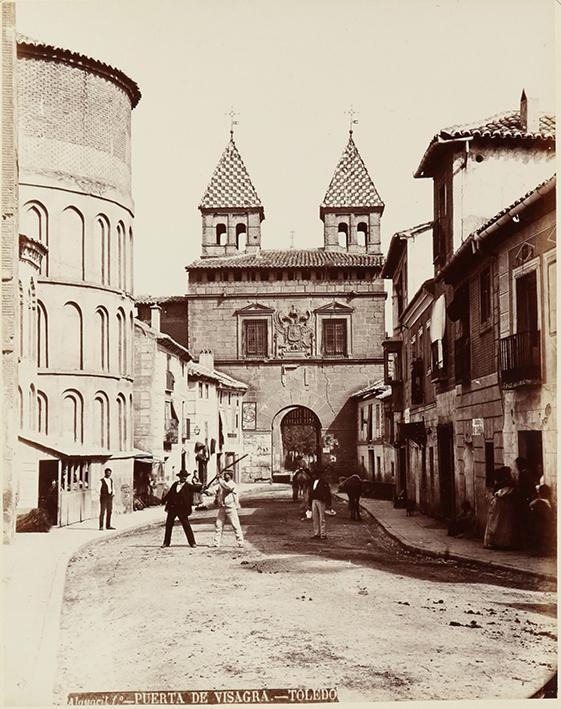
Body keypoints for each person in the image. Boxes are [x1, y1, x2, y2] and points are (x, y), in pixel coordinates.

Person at [161, 469, 202, 548]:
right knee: (169, 525)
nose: (184, 478)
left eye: (185, 476)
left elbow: (196, 488)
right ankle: (166, 542)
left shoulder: (188, 486)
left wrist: (203, 487)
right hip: (172, 508)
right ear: (179, 477)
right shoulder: (175, 484)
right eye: (183, 476)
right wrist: (163, 500)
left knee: (186, 525)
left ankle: (192, 543)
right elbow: (170, 494)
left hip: (182, 509)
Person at [483, 466, 518, 549]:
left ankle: (496, 542)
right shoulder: (509, 483)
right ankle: (501, 542)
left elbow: (497, 494)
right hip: (504, 505)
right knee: (502, 523)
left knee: (497, 523)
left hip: (499, 505)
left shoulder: (501, 484)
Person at [212, 470, 244, 548]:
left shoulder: (233, 484)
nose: (224, 475)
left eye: (226, 474)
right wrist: (206, 491)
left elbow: (227, 488)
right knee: (218, 525)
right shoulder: (221, 483)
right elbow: (215, 490)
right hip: (222, 507)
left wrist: (219, 479)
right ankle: (216, 543)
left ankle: (240, 542)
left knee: (235, 525)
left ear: (229, 475)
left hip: (231, 507)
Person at [528, 484, 555, 556]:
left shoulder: (538, 503)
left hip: (540, 524)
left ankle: (540, 551)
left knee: (539, 537)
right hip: (546, 523)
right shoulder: (549, 502)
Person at [309, 469, 332, 540]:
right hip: (314, 500)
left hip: (321, 500)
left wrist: (328, 502)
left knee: (322, 518)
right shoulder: (313, 482)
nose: (314, 476)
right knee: (315, 518)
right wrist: (310, 502)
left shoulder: (324, 482)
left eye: (315, 474)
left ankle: (323, 534)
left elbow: (328, 492)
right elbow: (311, 493)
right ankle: (317, 533)